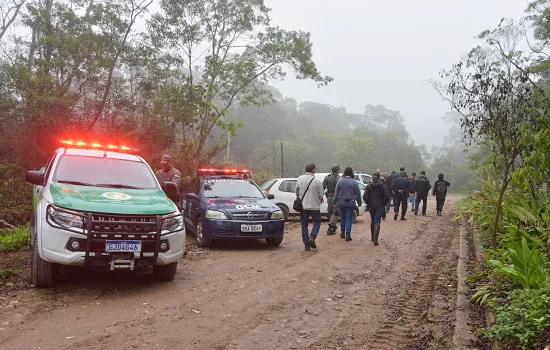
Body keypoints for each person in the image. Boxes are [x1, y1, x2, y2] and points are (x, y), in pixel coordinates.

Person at [296, 163, 324, 251]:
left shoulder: (299, 179)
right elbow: (321, 194)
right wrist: (320, 198)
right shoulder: (317, 181)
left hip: (303, 207)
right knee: (317, 221)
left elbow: (297, 192)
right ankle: (312, 236)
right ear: (314, 170)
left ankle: (306, 245)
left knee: (304, 225)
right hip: (314, 206)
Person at [333, 167, 362, 241]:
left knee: (342, 217)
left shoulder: (340, 180)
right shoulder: (354, 182)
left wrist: (334, 202)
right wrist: (359, 202)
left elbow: (336, 192)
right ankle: (348, 235)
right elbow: (358, 193)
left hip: (341, 202)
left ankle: (342, 233)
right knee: (349, 218)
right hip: (351, 202)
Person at [363, 171, 390, 246]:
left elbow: (365, 197)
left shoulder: (368, 186)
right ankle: (375, 238)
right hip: (379, 206)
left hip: (371, 206)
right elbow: (387, 197)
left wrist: (369, 202)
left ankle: (372, 237)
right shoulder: (383, 186)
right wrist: (383, 204)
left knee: (373, 221)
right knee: (377, 221)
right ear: (379, 177)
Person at [323, 164, 341, 235]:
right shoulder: (339, 178)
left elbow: (322, 187)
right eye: (339, 169)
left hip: (329, 197)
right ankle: (330, 228)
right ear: (337, 170)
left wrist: (321, 196)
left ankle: (333, 227)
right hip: (336, 198)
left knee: (330, 212)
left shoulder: (327, 177)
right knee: (335, 212)